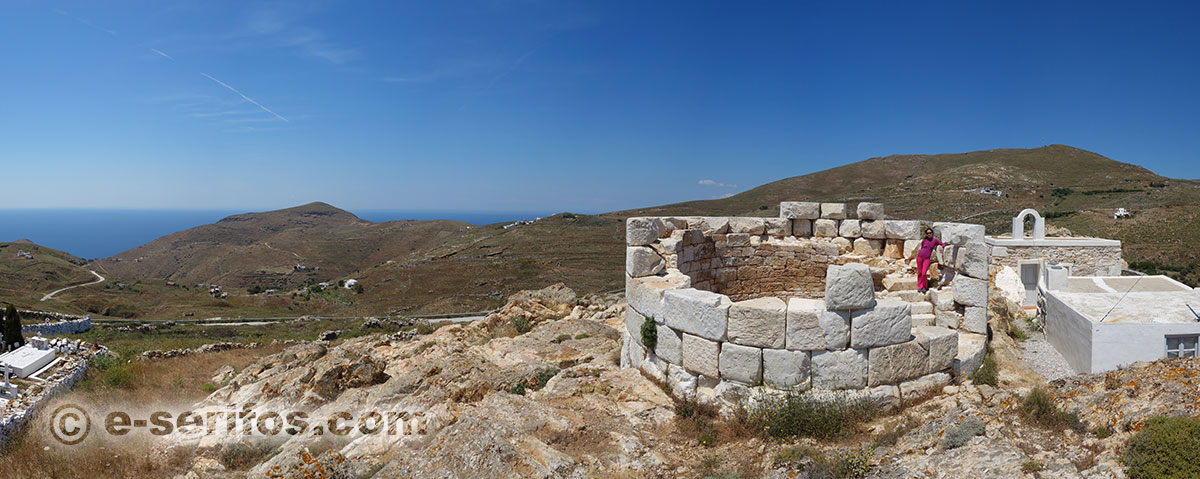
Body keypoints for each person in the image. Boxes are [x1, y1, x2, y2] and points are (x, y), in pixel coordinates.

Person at [916, 227, 946, 293]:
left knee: (924, 273)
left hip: (927, 259)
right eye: (927, 233)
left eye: (930, 233)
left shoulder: (934, 240)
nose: (929, 234)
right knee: (919, 272)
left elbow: (943, 243)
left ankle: (925, 286)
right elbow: (922, 248)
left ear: (932, 233)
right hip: (919, 257)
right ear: (926, 234)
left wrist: (942, 247)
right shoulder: (924, 240)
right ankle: (920, 286)